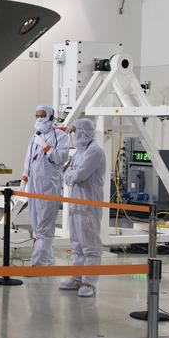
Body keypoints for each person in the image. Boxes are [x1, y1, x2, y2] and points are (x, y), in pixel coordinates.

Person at [60, 118, 106, 297]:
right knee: (77, 244)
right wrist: (71, 174)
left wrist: (72, 174)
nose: (73, 135)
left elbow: (80, 175)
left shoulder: (95, 151)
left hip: (88, 204)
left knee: (90, 245)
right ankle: (77, 278)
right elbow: (68, 173)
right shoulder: (78, 152)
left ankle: (89, 282)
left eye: (74, 131)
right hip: (75, 203)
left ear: (83, 132)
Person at [22, 104, 70, 266]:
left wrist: (46, 146)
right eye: (37, 115)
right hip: (34, 185)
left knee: (45, 224)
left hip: (48, 185)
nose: (39, 118)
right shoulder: (36, 135)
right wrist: (24, 178)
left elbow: (60, 158)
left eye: (42, 115)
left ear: (50, 116)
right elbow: (29, 157)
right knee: (36, 223)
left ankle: (38, 263)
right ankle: (47, 260)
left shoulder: (60, 136)